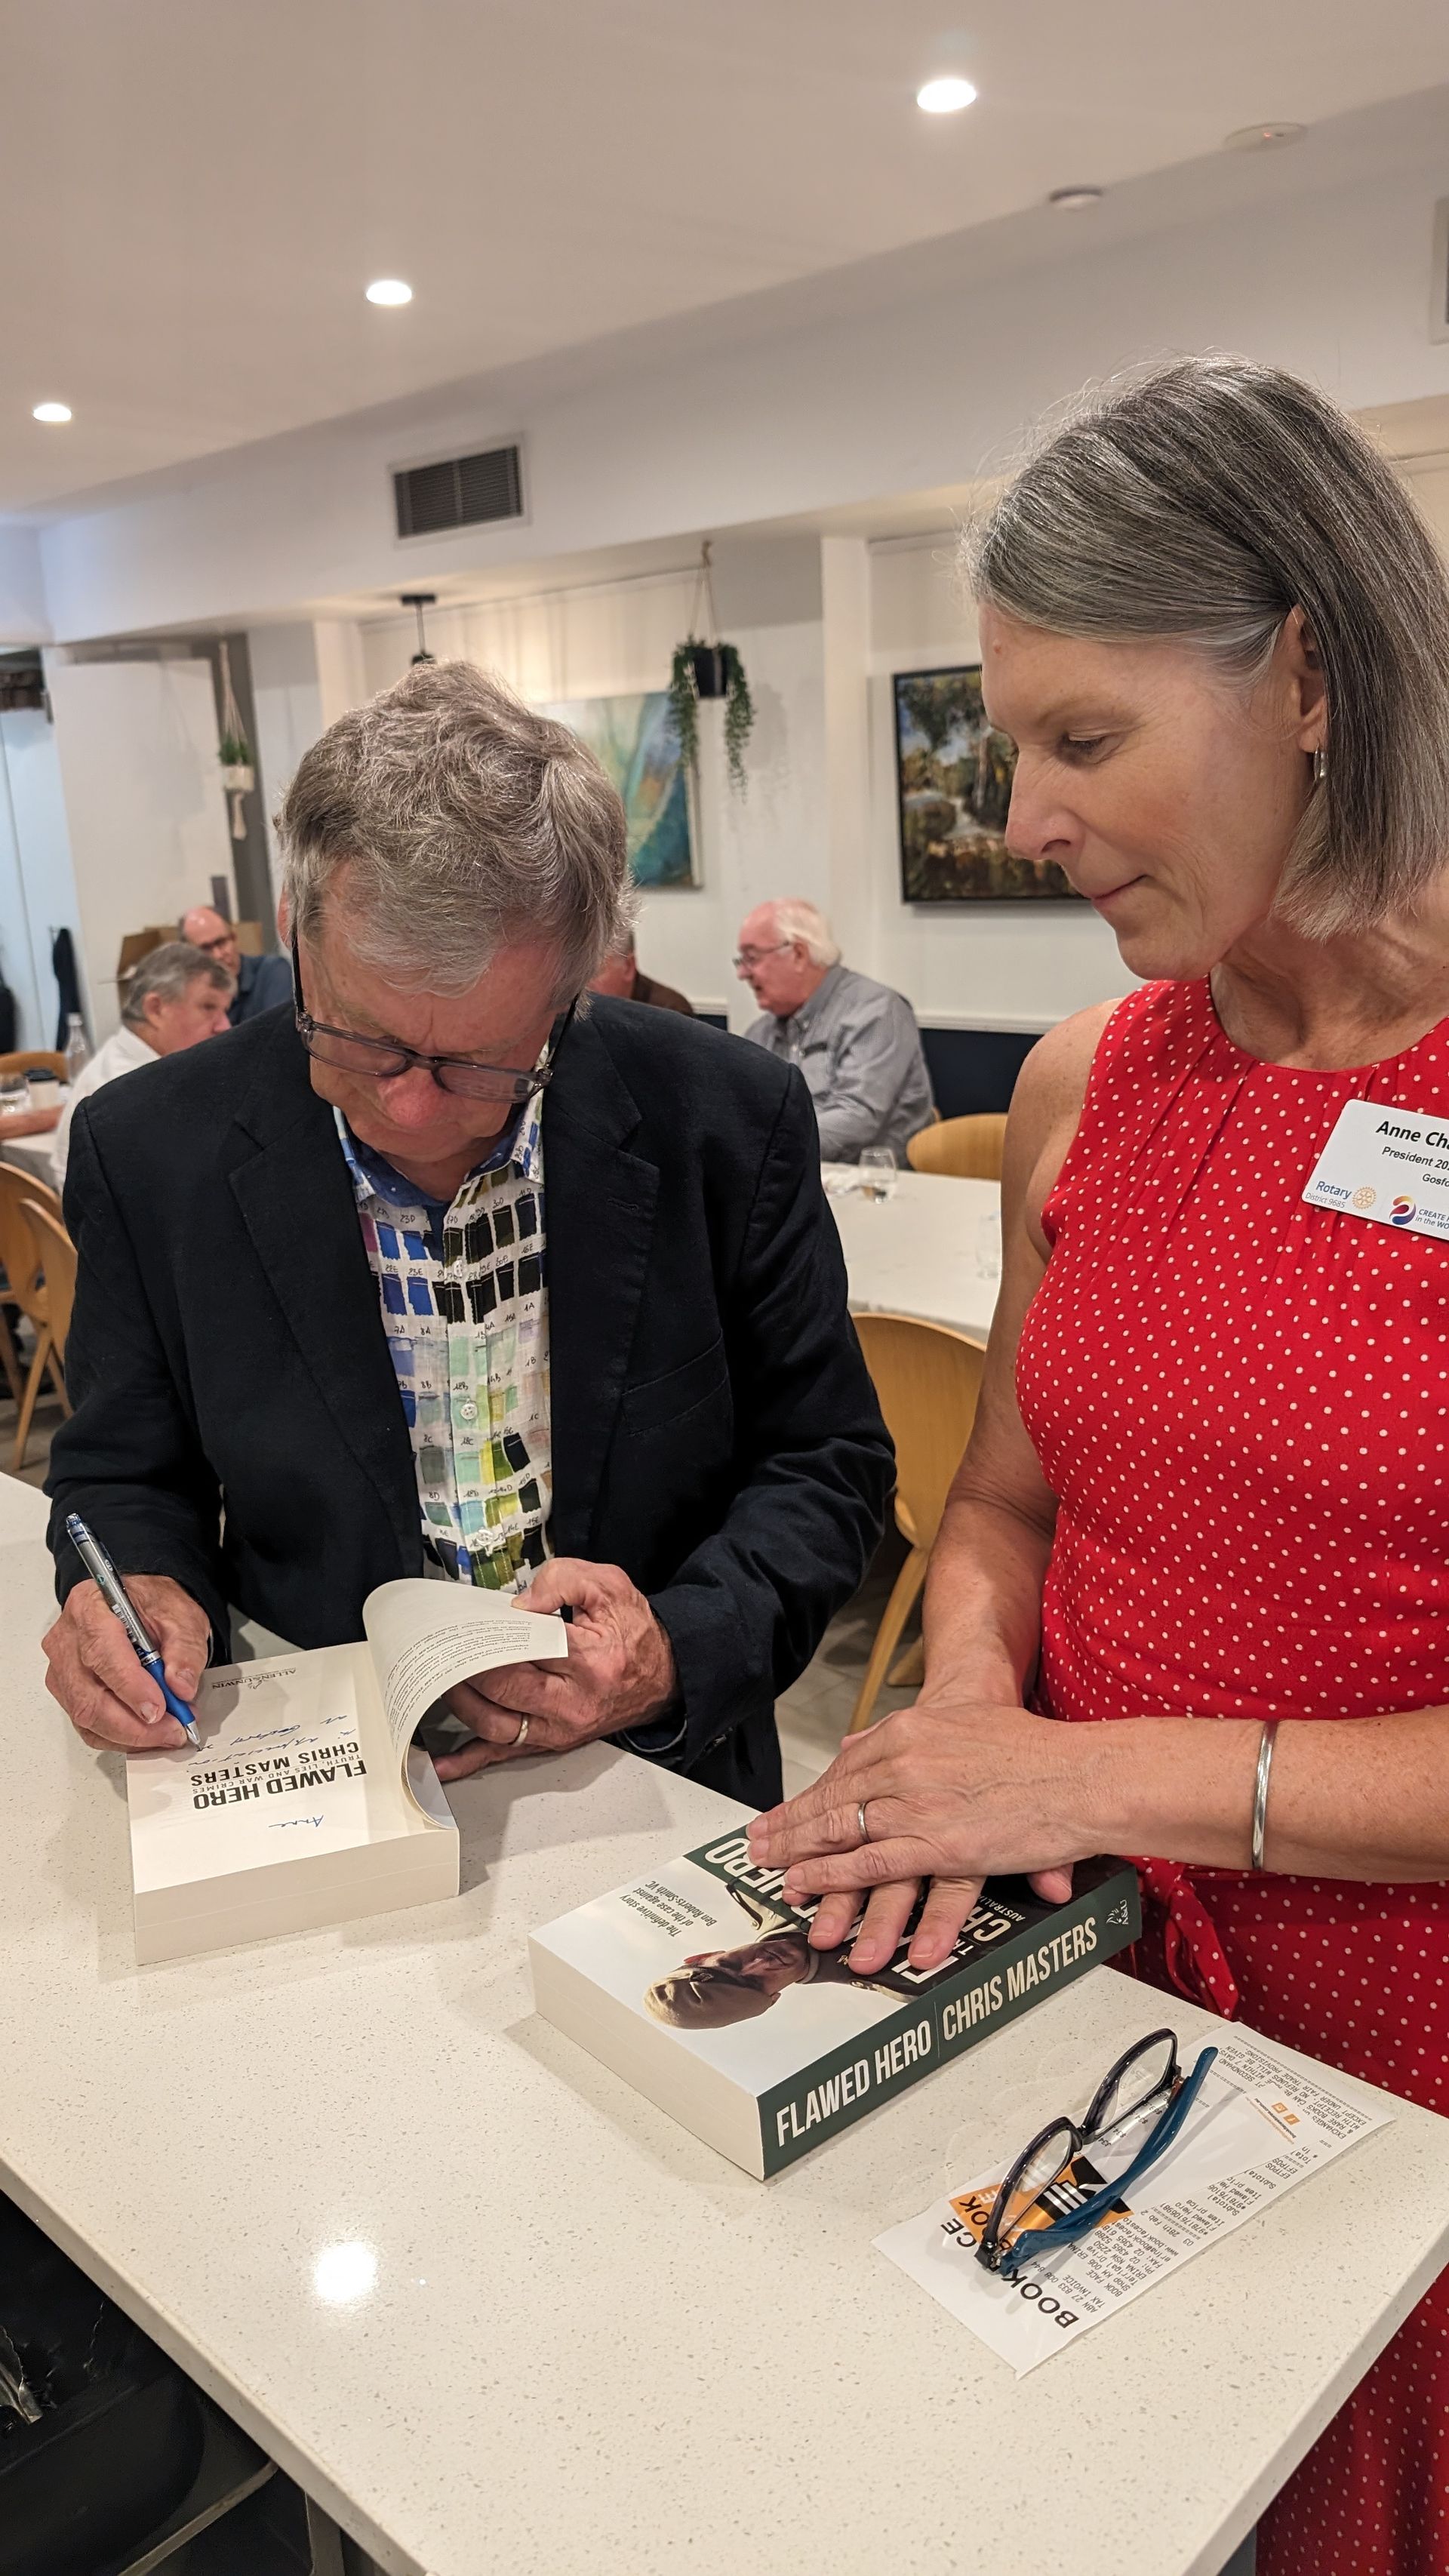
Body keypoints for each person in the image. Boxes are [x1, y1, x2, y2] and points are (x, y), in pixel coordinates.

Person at [746, 357, 1449, 2576]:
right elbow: (1007, 1507)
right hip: (1101, 1976)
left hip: (1403, 2045)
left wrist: (1085, 1773)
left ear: (1308, 680)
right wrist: (969, 1698)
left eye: (1080, 739)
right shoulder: (1090, 1081)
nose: (1018, 817)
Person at [42, 662, 892, 1815]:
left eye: (476, 1062)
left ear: (573, 989)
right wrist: (135, 1587)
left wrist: (673, 1651)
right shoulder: (152, 1148)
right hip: (323, 1765)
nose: (408, 1108)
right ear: (298, 933)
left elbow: (826, 1462)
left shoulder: (724, 1120)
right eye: (364, 1040)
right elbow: (123, 1468)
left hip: (655, 1776)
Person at [737, 899, 934, 1162]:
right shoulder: (761, 1033)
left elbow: (858, 1115)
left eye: (751, 959)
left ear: (798, 954)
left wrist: (767, 1147)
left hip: (874, 1188)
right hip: (792, 1181)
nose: (742, 973)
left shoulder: (876, 1012)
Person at [52, 941, 234, 1190]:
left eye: (225, 1011)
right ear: (156, 1009)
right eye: (208, 1007)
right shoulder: (132, 1087)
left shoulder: (129, 1059)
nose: (224, 1026)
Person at [180, 904, 292, 1025]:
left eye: (221, 942)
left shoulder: (272, 971)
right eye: (206, 948)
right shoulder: (186, 991)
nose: (218, 955)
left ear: (234, 938)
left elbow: (276, 1033)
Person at [589, 930, 694, 1016]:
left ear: (628, 967)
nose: (583, 986)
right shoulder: (579, 1010)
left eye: (594, 973)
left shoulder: (671, 1011)